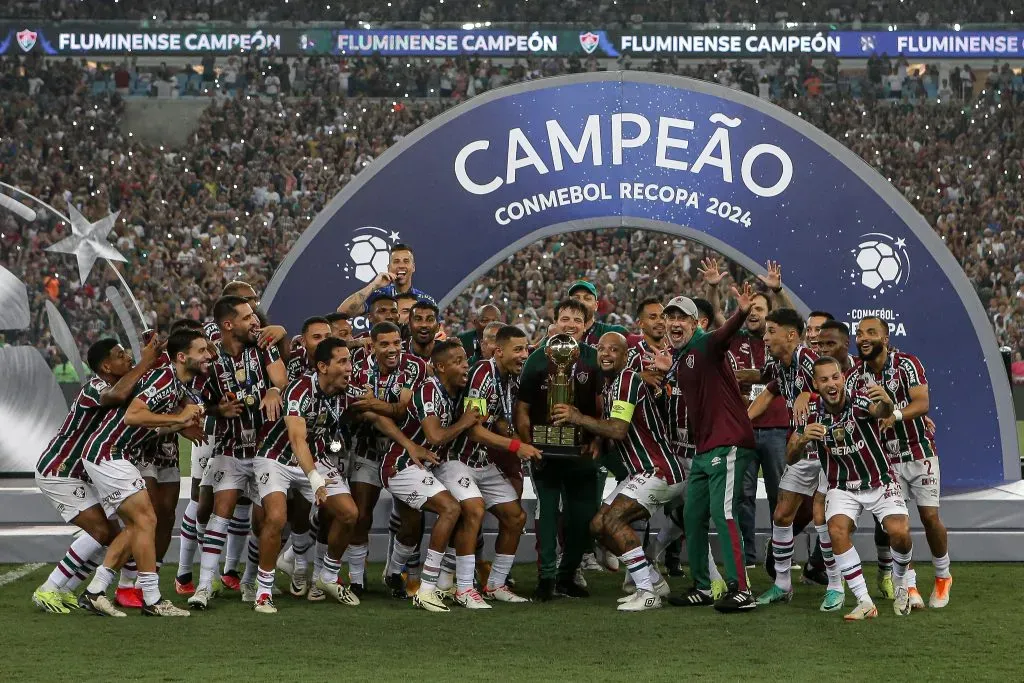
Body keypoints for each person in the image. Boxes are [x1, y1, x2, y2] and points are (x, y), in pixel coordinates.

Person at [79, 329, 211, 617]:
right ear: (181, 357)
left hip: (111, 454)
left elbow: (149, 425)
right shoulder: (164, 378)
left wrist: (178, 426)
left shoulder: (174, 384)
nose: (208, 356)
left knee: (137, 526)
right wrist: (177, 418)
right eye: (201, 351)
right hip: (109, 453)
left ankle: (95, 591)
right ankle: (151, 599)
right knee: (147, 518)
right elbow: (132, 416)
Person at [32, 335, 164, 614]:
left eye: (127, 354)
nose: (127, 358)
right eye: (120, 355)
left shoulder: (124, 387)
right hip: (61, 470)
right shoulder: (95, 387)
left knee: (114, 535)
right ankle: (48, 587)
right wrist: (145, 362)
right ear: (106, 366)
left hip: (83, 473)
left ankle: (66, 590)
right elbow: (116, 396)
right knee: (102, 530)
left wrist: (153, 356)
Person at [557, 332, 685, 611]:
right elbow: (612, 431)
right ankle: (652, 579)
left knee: (613, 521)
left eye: (613, 349)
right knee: (597, 527)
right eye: (601, 349)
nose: (605, 353)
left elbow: (618, 428)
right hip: (640, 471)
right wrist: (595, 441)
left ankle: (646, 592)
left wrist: (579, 418)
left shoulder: (627, 380)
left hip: (658, 469)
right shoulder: (612, 385)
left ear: (625, 356)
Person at [789, 356, 915, 620]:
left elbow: (881, 412)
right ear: (816, 384)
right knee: (836, 530)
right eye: (824, 379)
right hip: (842, 486)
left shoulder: (858, 401)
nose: (831, 383)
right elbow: (790, 456)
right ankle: (864, 600)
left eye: (835, 377)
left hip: (879, 480)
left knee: (900, 533)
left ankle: (901, 581)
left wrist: (888, 403)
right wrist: (801, 441)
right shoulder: (810, 414)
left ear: (843, 378)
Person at [660, 285, 758, 612]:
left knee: (723, 512)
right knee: (693, 514)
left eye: (681, 317)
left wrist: (742, 311)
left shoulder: (705, 344)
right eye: (669, 317)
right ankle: (703, 586)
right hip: (706, 448)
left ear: (695, 323)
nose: (674, 322)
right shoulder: (684, 356)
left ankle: (741, 590)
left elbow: (724, 333)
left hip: (727, 442)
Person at [189, 296, 288, 609]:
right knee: (221, 511)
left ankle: (250, 582)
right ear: (228, 324)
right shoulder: (209, 354)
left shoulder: (263, 344)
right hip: (229, 447)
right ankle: (204, 585)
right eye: (247, 318)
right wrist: (217, 408)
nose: (255, 322)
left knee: (263, 522)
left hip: (266, 448)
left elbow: (282, 379)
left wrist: (274, 389)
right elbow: (196, 402)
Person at [252, 338, 362, 613]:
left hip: (317, 459)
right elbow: (297, 439)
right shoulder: (301, 389)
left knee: (349, 514)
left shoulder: (345, 391)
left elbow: (373, 408)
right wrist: (315, 480)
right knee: (276, 517)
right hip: (277, 457)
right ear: (323, 366)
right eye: (342, 362)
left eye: (349, 360)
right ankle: (263, 590)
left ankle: (327, 577)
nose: (349, 368)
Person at [849, 316, 951, 609]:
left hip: (919, 452)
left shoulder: (906, 364)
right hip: (886, 460)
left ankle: (943, 576)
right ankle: (909, 584)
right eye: (859, 333)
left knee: (930, 518)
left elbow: (922, 403)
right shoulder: (856, 376)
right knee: (898, 525)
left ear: (886, 337)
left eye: (871, 332)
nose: (863, 338)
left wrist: (893, 415)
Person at [748, 309, 843, 611]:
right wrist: (740, 423)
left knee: (820, 518)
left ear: (790, 335)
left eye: (771, 330)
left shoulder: (810, 361)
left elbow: (837, 392)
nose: (765, 336)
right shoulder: (780, 364)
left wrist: (810, 394)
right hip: (802, 450)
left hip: (828, 451)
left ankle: (836, 587)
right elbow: (767, 393)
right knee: (782, 515)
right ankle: (782, 584)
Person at [379, 340, 482, 612]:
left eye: (465, 360)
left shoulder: (456, 391)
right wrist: (464, 422)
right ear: (440, 366)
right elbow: (435, 435)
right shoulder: (428, 390)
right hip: (401, 466)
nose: (465, 366)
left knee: (412, 526)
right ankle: (427, 589)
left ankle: (393, 573)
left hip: (430, 465)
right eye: (458, 361)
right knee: (450, 509)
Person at [442, 325, 540, 605]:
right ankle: (463, 589)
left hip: (481, 461)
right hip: (457, 458)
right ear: (499, 351)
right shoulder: (483, 373)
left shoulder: (508, 377)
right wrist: (515, 446)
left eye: (526, 349)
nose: (524, 354)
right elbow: (473, 430)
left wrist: (511, 432)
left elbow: (495, 416)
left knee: (515, 517)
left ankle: (496, 584)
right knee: (474, 510)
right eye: (518, 349)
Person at [515, 299, 602, 601]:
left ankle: (567, 575)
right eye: (565, 318)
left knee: (583, 517)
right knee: (548, 513)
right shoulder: (538, 359)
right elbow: (523, 407)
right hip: (545, 452)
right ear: (555, 322)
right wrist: (527, 443)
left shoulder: (593, 358)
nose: (571, 325)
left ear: (586, 325)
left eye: (577, 320)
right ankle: (546, 577)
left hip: (581, 452)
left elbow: (603, 407)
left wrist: (597, 439)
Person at [346, 322, 428, 596]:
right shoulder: (357, 370)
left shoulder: (414, 366)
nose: (393, 349)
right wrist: (376, 409)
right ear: (371, 345)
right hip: (367, 450)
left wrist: (371, 404)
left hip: (401, 454)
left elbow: (402, 410)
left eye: (397, 343)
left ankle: (394, 571)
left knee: (412, 519)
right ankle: (357, 580)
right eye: (385, 344)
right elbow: (358, 413)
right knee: (360, 515)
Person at [337, 243, 438, 317]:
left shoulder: (426, 301)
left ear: (413, 267)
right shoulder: (377, 296)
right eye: (396, 261)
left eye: (406, 261)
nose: (401, 266)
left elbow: (439, 333)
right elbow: (342, 312)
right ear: (389, 268)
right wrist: (374, 285)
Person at [567, 280, 628, 346]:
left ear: (596, 305)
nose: (581, 302)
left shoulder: (615, 333)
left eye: (587, 298)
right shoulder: (558, 335)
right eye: (576, 299)